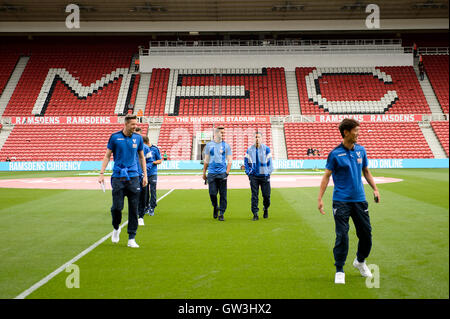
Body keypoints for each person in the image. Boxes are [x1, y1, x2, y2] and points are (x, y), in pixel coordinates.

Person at [317, 118, 380, 284]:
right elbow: (326, 176)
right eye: (355, 131)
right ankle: (339, 269)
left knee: (366, 235)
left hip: (360, 200)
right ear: (346, 132)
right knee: (342, 236)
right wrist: (320, 198)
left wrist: (375, 188)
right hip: (341, 201)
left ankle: (360, 261)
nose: (358, 133)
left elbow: (366, 171)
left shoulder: (361, 150)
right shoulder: (335, 154)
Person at [98, 114, 148, 248]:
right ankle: (116, 227)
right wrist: (101, 173)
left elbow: (142, 157)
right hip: (118, 177)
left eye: (136, 124)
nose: (135, 126)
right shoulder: (115, 137)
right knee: (117, 208)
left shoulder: (138, 138)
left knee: (133, 209)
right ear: (125, 124)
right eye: (133, 124)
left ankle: (131, 237)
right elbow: (107, 156)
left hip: (133, 177)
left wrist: (145, 175)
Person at [202, 126, 232, 221]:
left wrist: (227, 172)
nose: (223, 134)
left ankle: (221, 213)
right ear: (216, 133)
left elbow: (230, 160)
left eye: (223, 133)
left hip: (222, 173)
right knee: (212, 193)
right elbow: (206, 160)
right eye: (221, 132)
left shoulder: (226, 146)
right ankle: (215, 206)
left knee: (223, 195)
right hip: (211, 173)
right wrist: (204, 173)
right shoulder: (209, 145)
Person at [244, 132, 273, 220]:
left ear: (262, 138)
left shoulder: (266, 149)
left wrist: (268, 172)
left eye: (259, 137)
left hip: (265, 176)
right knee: (254, 195)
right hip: (254, 176)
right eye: (256, 137)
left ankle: (266, 208)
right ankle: (255, 214)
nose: (257, 139)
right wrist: (248, 172)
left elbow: (270, 162)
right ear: (253, 138)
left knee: (266, 196)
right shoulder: (249, 149)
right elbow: (246, 162)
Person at [143, 135, 162, 217]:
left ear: (146, 142)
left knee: (153, 190)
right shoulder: (142, 149)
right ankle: (146, 206)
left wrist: (153, 162)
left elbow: (160, 160)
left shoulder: (155, 149)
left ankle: (152, 207)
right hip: (145, 173)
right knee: (145, 191)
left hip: (153, 173)